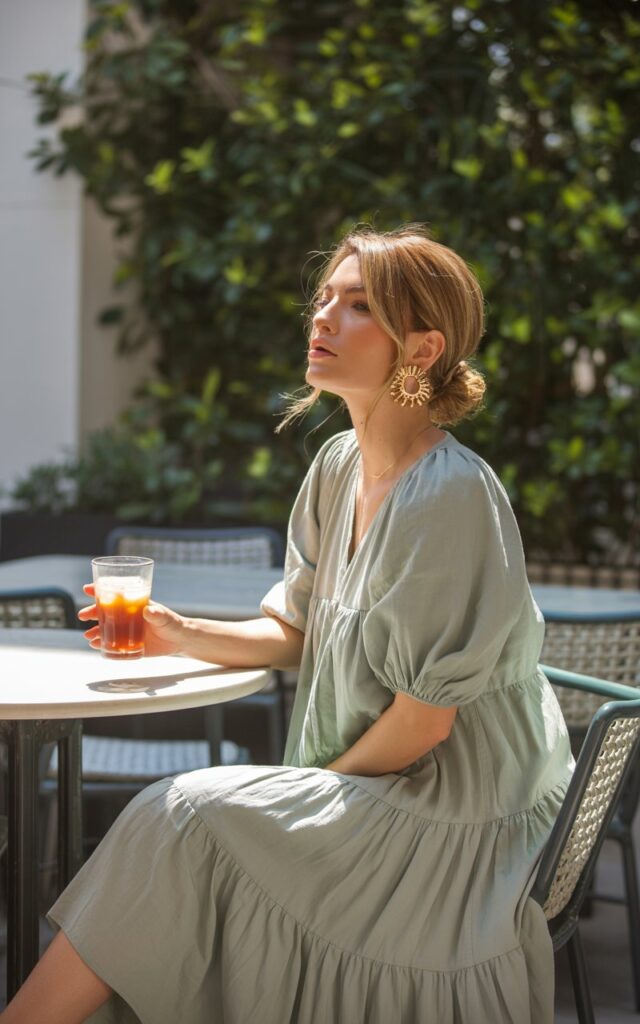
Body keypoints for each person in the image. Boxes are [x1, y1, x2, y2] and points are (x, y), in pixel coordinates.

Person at [1, 225, 573, 1024]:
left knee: (187, 814)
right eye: (324, 299)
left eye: (358, 305)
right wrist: (175, 630)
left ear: (421, 346)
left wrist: (298, 794)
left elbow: (423, 726)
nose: (323, 319)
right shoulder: (338, 466)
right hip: (387, 780)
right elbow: (298, 633)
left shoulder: (448, 495)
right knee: (185, 824)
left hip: (458, 813)